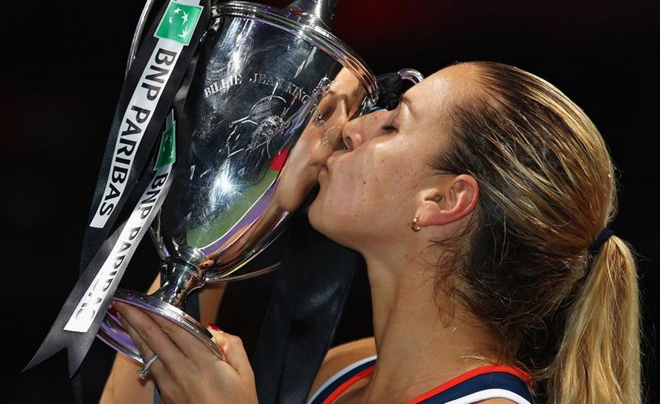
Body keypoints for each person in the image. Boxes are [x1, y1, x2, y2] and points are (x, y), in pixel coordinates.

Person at [100, 60, 642, 404]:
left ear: (444, 201)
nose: (351, 129)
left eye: (392, 123)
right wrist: (235, 218)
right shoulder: (343, 371)